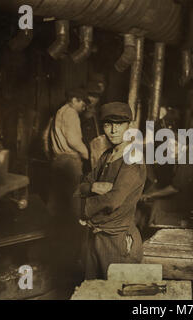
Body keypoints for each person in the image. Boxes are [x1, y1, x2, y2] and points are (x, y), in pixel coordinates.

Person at [78, 102, 146, 280]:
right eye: (108, 124)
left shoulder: (133, 158)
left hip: (117, 241)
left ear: (129, 126)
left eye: (119, 124)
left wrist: (83, 208)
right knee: (91, 293)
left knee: (116, 294)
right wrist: (93, 187)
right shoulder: (107, 155)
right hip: (97, 237)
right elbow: (81, 186)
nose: (113, 130)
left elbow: (114, 200)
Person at [47, 88, 90, 279]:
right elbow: (73, 140)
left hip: (57, 161)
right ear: (74, 99)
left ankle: (56, 258)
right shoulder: (71, 113)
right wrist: (87, 153)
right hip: (70, 163)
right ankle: (72, 262)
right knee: (73, 212)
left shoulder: (60, 111)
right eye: (82, 102)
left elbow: (45, 138)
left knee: (57, 209)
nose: (83, 107)